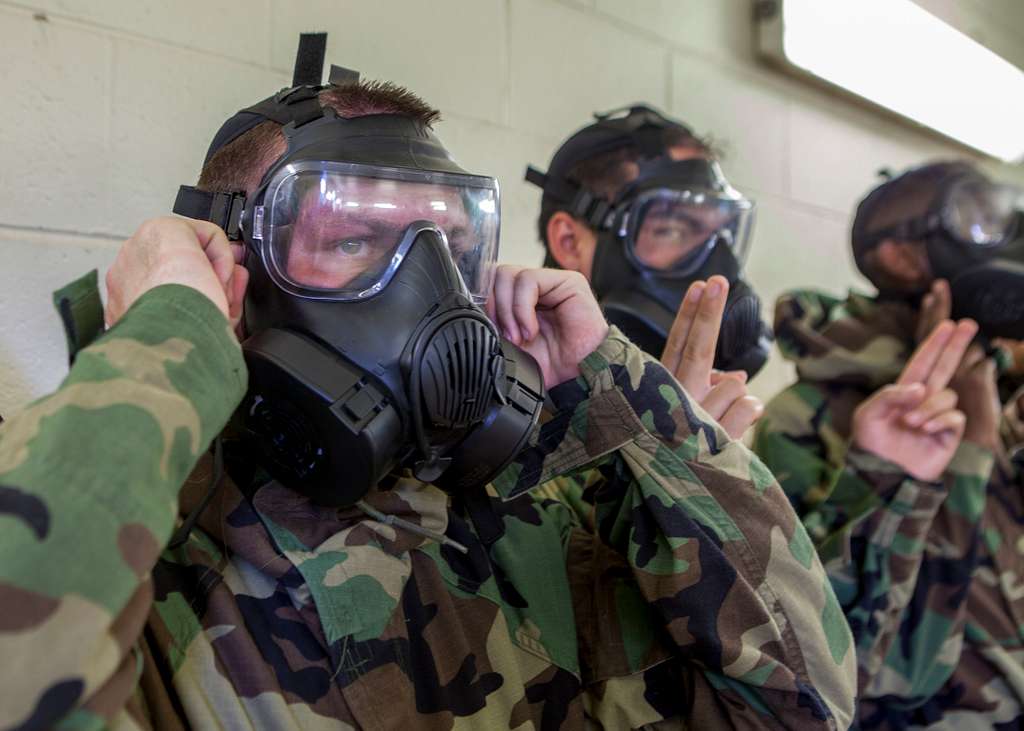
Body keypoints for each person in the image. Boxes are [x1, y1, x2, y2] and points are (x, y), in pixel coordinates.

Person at [0, 40, 856, 729]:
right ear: (233, 268)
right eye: (353, 239)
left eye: (451, 243)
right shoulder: (156, 566)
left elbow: (803, 705)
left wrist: (636, 415)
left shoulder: (543, 527)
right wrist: (170, 334)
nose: (430, 286)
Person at [752, 160, 1024, 728]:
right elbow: (839, 650)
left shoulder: (1004, 389)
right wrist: (964, 447)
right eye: (973, 220)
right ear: (899, 257)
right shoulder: (803, 418)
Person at [525, 105, 772, 439]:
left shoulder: (701, 413)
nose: (721, 268)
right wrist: (674, 461)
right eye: (671, 230)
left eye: (720, 233)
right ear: (570, 242)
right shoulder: (507, 410)